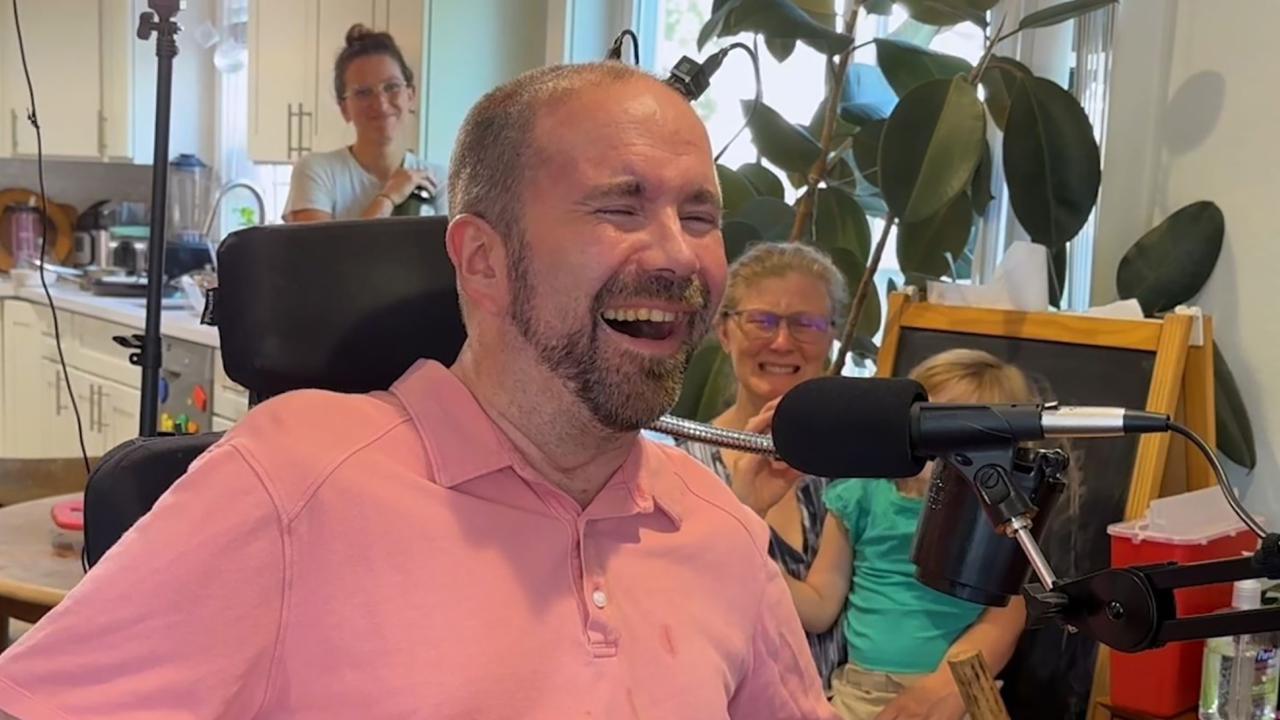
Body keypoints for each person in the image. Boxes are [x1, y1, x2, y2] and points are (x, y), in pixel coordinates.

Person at [0, 62, 835, 719]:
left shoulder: (719, 529)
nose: (680, 257)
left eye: (699, 218)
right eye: (620, 209)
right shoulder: (292, 486)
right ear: (482, 262)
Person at [786, 349, 1035, 720]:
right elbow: (820, 604)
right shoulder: (859, 496)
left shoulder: (997, 514)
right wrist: (756, 561)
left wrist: (944, 689)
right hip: (861, 693)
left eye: (959, 436)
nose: (935, 446)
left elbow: (1006, 617)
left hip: (957, 696)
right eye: (925, 424)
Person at [671, 241, 848, 693]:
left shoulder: (858, 468)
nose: (783, 342)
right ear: (724, 331)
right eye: (762, 321)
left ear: (831, 337)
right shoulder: (674, 466)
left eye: (805, 324)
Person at [283, 24, 447, 222]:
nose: (381, 103)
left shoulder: (439, 180)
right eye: (363, 92)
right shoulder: (316, 171)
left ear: (410, 96)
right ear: (344, 108)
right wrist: (387, 198)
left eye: (392, 87)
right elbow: (320, 253)